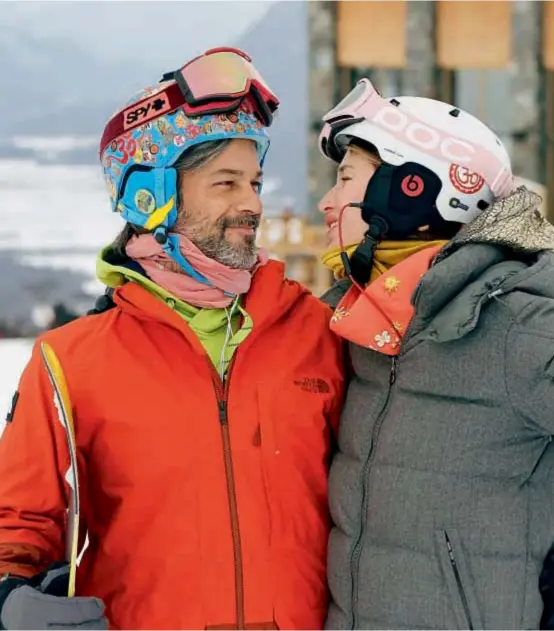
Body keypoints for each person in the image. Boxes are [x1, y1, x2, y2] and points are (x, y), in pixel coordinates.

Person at [0, 47, 344, 630]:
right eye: (226, 183)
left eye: (255, 181)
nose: (253, 204)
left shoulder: (316, 331)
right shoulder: (72, 361)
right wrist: (8, 597)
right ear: (151, 194)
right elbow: (18, 521)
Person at [316, 78, 554, 629]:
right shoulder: (356, 325)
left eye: (345, 180)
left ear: (408, 190)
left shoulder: (511, 325)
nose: (326, 202)